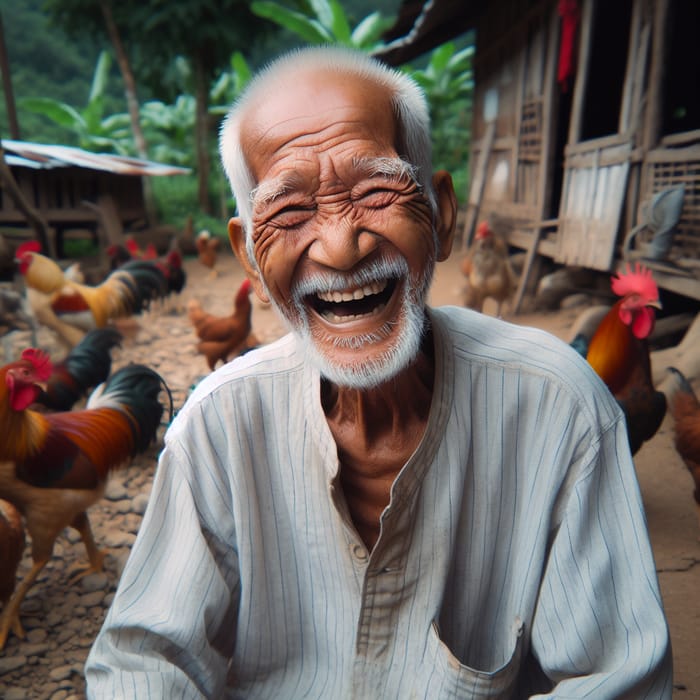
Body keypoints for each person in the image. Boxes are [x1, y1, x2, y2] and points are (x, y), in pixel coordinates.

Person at [85, 46, 672, 698]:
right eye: (289, 210)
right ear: (249, 256)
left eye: (375, 191)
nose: (340, 247)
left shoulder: (557, 409)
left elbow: (616, 677)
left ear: (442, 214)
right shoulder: (219, 427)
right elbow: (140, 660)